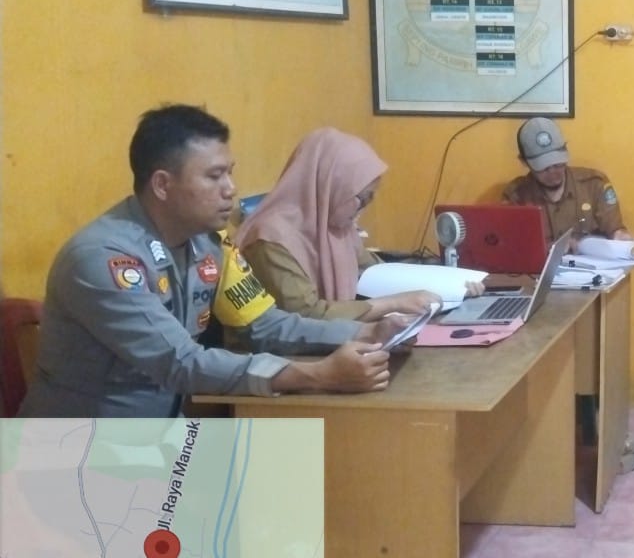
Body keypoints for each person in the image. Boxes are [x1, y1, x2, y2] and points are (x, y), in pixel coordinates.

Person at [19, 105, 403, 418]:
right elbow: (181, 362)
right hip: (81, 450)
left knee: (309, 472)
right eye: (214, 176)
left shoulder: (208, 243)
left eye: (230, 174)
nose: (231, 190)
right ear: (162, 184)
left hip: (158, 440)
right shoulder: (104, 261)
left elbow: (263, 324)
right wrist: (317, 376)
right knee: (291, 480)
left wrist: (364, 333)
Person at [237, 128, 446, 321]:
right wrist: (393, 303)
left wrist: (444, 286)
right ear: (329, 187)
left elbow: (374, 271)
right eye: (361, 199)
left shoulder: (335, 227)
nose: (362, 209)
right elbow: (307, 315)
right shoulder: (270, 239)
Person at [502, 117, 632, 243]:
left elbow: (615, 229)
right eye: (543, 168)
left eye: (558, 164)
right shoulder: (516, 197)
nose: (553, 172)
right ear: (524, 162)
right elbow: (511, 246)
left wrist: (620, 235)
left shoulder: (594, 185)